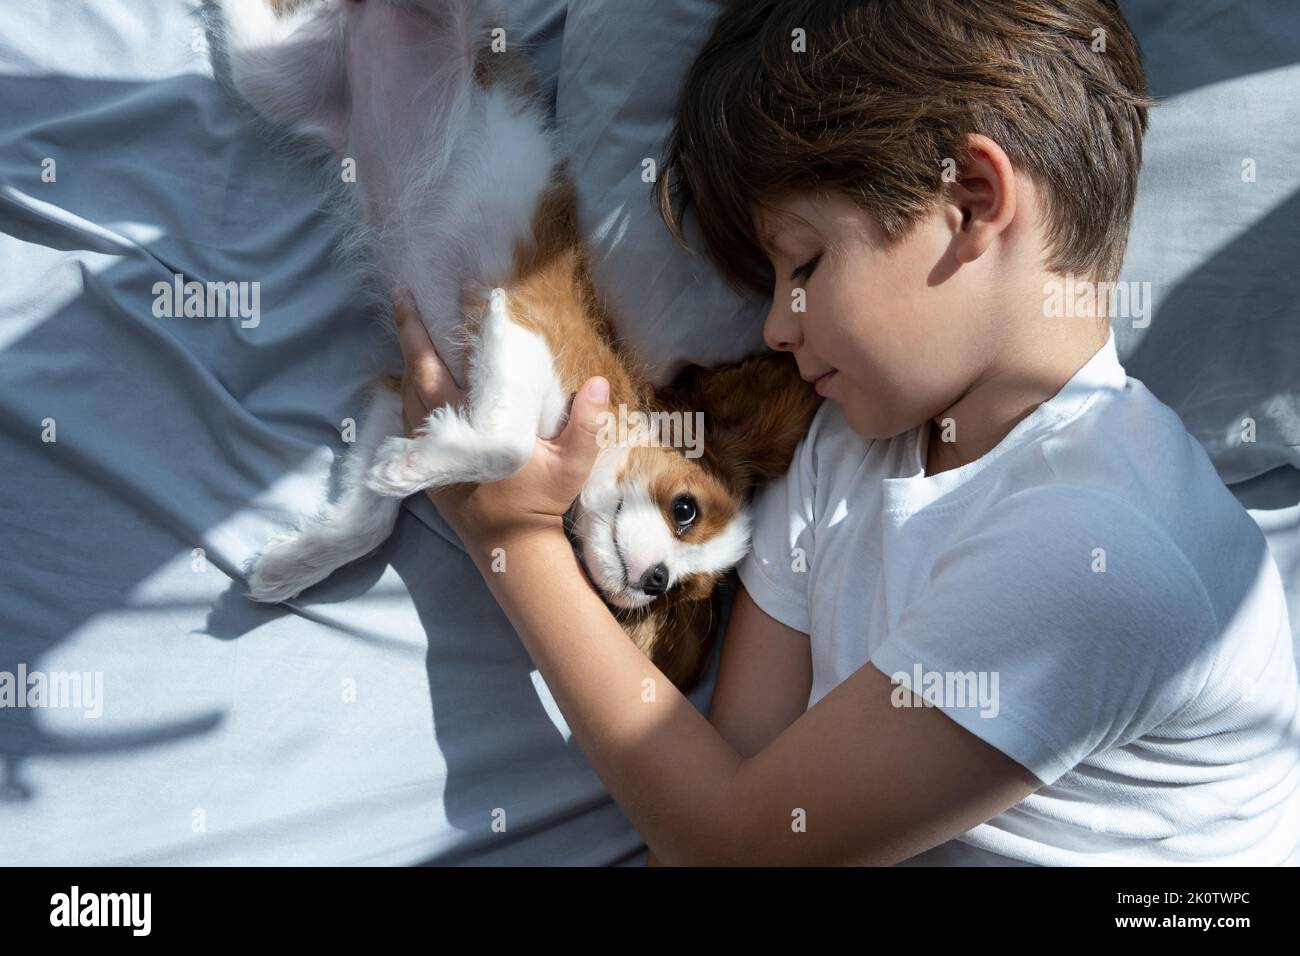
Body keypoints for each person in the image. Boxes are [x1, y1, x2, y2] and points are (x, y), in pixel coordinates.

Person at [390, 0, 1300, 865]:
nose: (777, 329)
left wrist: (506, 532)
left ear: (975, 197)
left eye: (806, 266)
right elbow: (711, 789)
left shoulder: (1101, 545)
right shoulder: (839, 452)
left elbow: (730, 845)